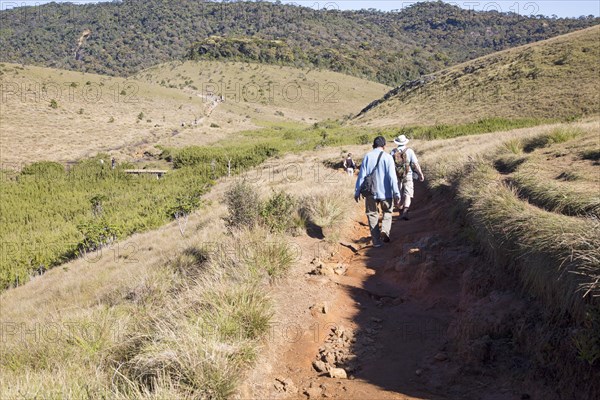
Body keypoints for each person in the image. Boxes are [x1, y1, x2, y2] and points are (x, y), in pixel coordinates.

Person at [354, 136, 401, 247]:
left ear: (373, 146)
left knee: (372, 215)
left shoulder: (367, 157)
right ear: (384, 146)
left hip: (371, 192)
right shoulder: (388, 157)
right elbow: (392, 177)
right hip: (386, 193)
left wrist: (357, 191)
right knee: (388, 212)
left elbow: (362, 176)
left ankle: (376, 241)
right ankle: (385, 230)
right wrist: (396, 193)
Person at [391, 135, 425, 221]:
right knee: (407, 193)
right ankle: (405, 211)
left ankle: (400, 210)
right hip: (408, 174)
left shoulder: (393, 152)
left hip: (396, 176)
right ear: (405, 142)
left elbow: (390, 165)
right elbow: (415, 164)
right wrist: (420, 174)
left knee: (397, 193)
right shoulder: (409, 151)